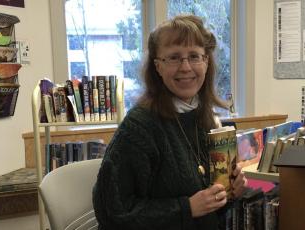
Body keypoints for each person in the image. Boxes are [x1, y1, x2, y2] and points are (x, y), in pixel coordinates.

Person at [93, 15, 247, 230]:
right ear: (158, 67)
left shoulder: (207, 119)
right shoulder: (138, 128)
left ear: (206, 62)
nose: (185, 67)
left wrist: (229, 193)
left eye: (194, 56)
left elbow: (209, 206)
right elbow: (112, 212)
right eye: (174, 57)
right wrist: (187, 208)